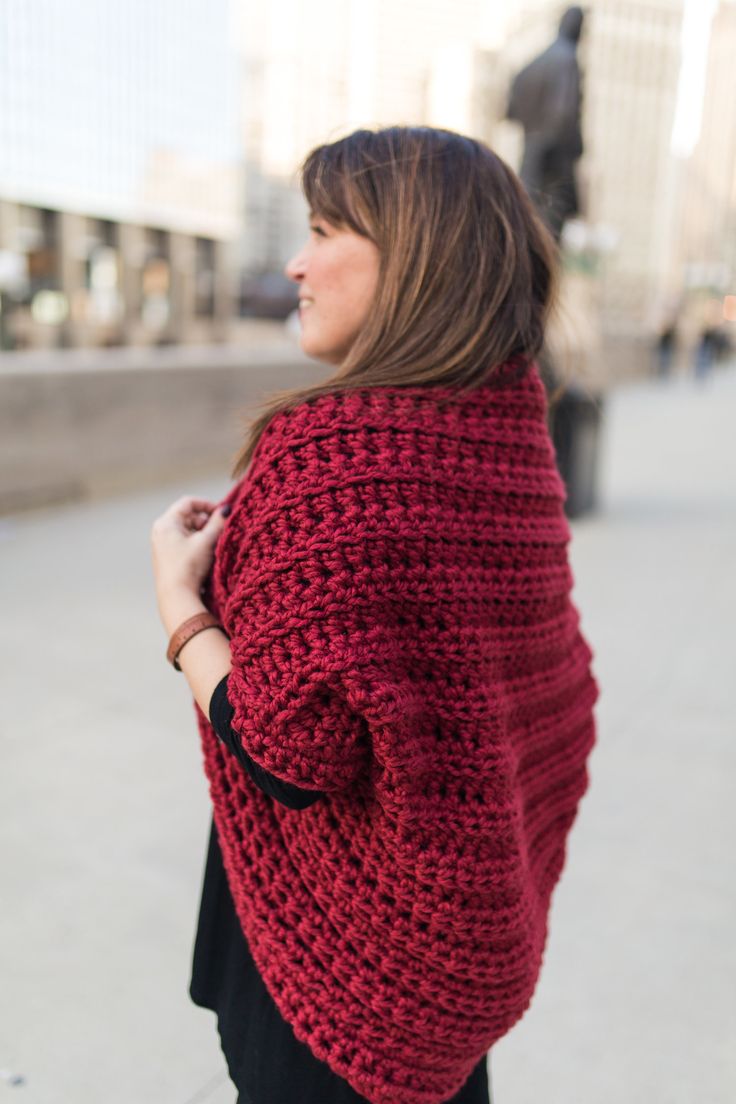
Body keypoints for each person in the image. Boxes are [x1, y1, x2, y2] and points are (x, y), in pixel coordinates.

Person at [150, 126, 598, 1104]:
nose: (295, 262)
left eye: (322, 230)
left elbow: (287, 752)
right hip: (450, 952)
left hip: (337, 962)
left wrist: (181, 607)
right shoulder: (510, 428)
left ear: (413, 258)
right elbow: (546, 694)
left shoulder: (329, 453)